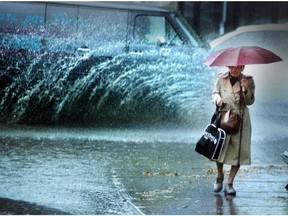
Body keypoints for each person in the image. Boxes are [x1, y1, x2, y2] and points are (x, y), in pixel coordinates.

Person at [212, 65, 255, 195]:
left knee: (238, 151)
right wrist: (218, 99)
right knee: (219, 149)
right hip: (224, 115)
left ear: (242, 67)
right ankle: (219, 176)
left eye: (237, 67)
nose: (234, 69)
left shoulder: (248, 80)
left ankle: (230, 183)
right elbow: (215, 92)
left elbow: (250, 101)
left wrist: (246, 88)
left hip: (241, 119)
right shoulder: (221, 78)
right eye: (231, 66)